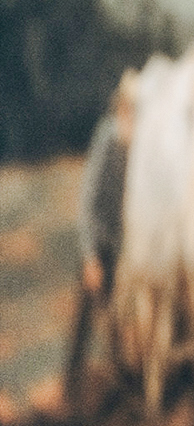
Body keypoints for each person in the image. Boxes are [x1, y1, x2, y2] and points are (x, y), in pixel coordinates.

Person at [65, 70, 137, 405]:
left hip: (119, 248)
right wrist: (91, 255)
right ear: (122, 105)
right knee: (84, 323)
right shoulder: (108, 138)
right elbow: (89, 201)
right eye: (132, 106)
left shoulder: (135, 144)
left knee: (115, 318)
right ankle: (72, 391)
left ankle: (117, 385)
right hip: (97, 246)